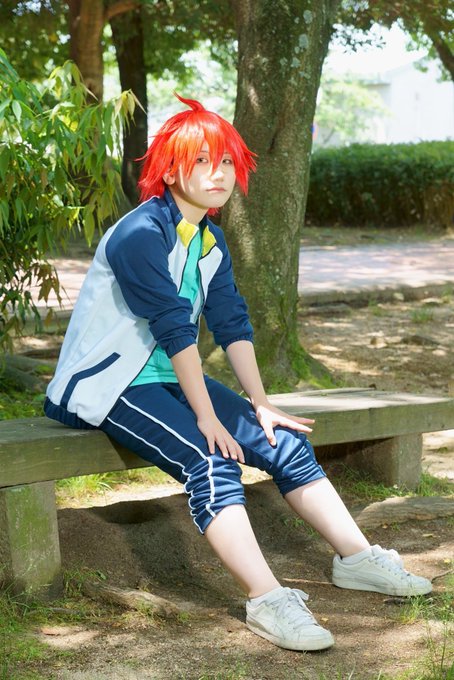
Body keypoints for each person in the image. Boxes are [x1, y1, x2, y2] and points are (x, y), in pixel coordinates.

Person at [45, 93, 432, 652]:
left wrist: (261, 404)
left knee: (284, 443)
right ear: (170, 170)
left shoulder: (210, 239)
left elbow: (230, 322)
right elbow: (174, 328)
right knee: (210, 459)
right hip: (109, 384)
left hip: (170, 379)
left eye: (226, 161)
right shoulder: (139, 234)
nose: (218, 173)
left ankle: (358, 558)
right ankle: (267, 599)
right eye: (202, 160)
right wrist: (208, 418)